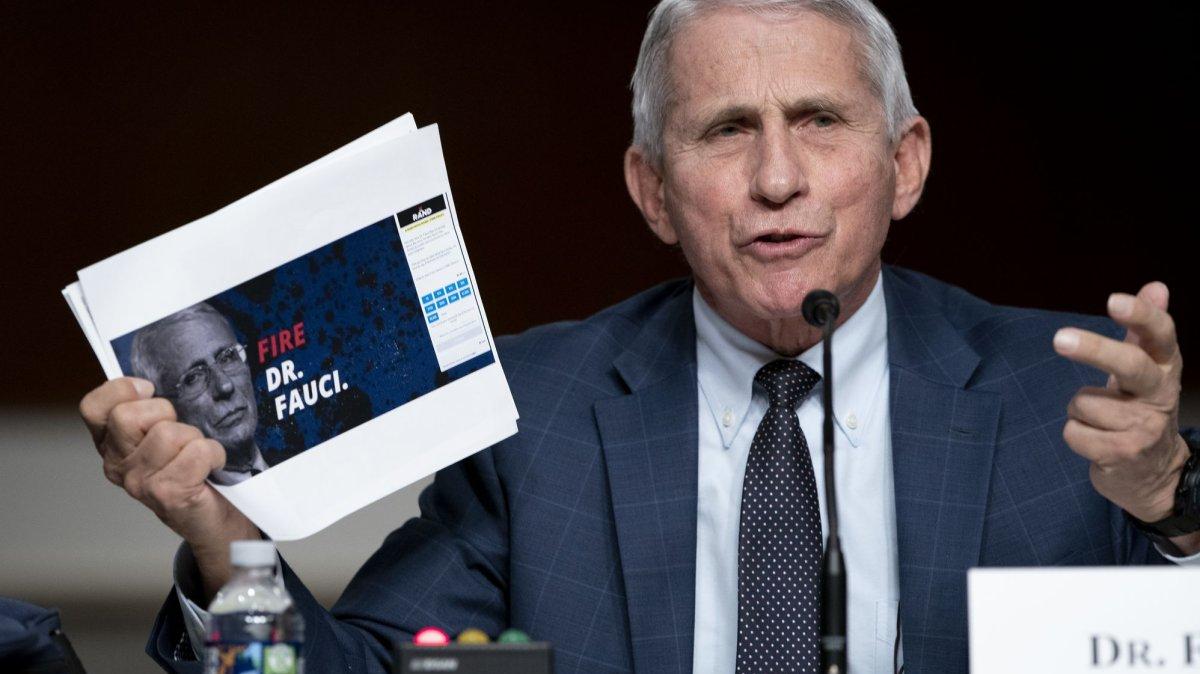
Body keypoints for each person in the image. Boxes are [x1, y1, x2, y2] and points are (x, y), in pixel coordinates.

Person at [79, 1, 1196, 672]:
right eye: (727, 131)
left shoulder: (1070, 401)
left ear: (903, 164)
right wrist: (221, 532)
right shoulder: (540, 413)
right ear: (653, 189)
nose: (775, 178)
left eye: (818, 121)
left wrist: (1172, 509)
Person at [126, 303, 266, 486]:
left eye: (227, 357)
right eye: (193, 378)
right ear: (163, 406)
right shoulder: (184, 502)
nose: (225, 386)